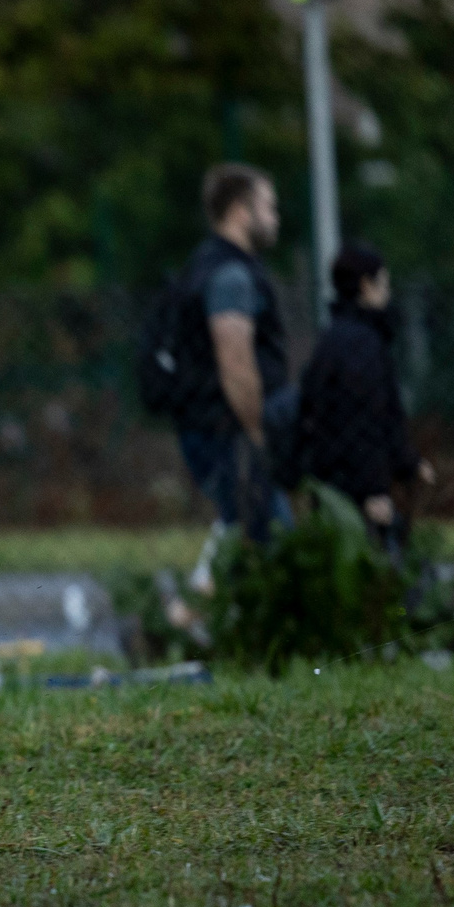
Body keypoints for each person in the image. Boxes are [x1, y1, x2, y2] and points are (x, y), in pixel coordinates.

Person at [171, 164, 294, 596]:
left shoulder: (208, 265)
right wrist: (258, 431)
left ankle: (186, 616)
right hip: (230, 432)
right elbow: (236, 361)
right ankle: (183, 619)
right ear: (241, 211)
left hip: (216, 428)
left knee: (247, 531)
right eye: (269, 208)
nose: (275, 219)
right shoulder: (231, 275)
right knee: (269, 538)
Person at [296, 242, 434, 557]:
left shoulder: (335, 339)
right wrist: (371, 490)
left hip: (334, 482)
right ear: (365, 286)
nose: (388, 293)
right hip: (355, 489)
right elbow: (363, 421)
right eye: (383, 284)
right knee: (377, 566)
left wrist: (407, 462)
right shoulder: (362, 345)